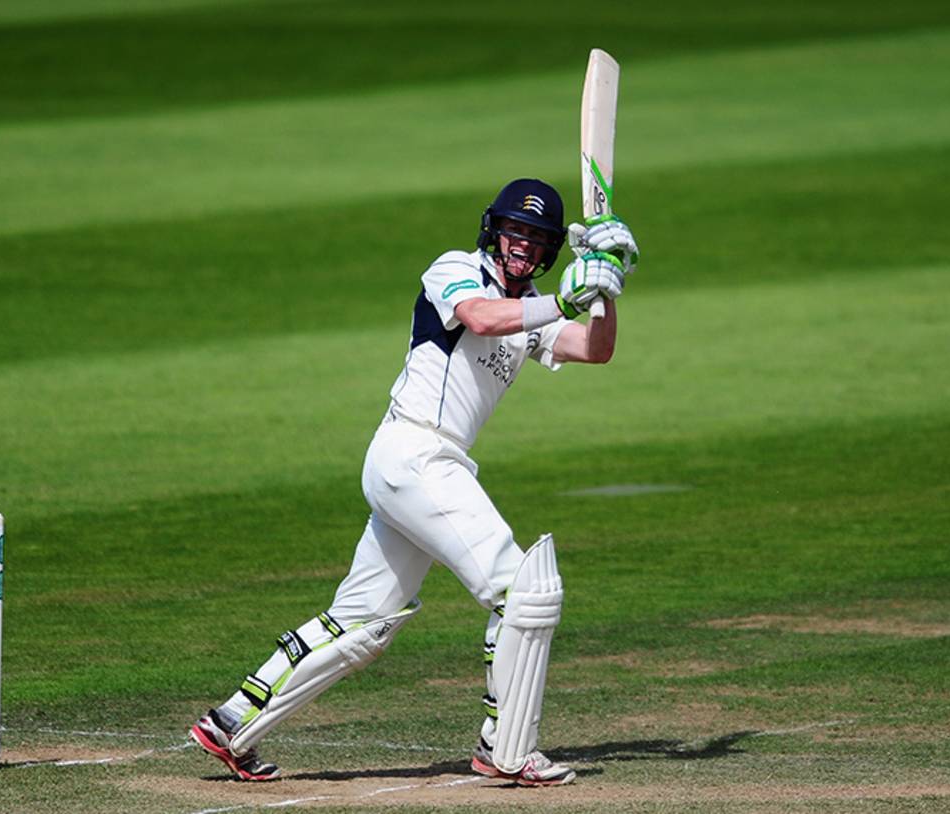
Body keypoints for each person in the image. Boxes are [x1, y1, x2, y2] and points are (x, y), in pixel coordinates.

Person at [188, 178, 639, 786]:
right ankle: (506, 748)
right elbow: (477, 316)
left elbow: (595, 350)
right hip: (415, 451)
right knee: (521, 592)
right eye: (516, 231)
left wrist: (607, 287)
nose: (523, 247)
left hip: (424, 466)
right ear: (493, 230)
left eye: (537, 239)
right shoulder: (456, 269)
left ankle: (230, 724)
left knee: (363, 623)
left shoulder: (530, 303)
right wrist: (565, 298)